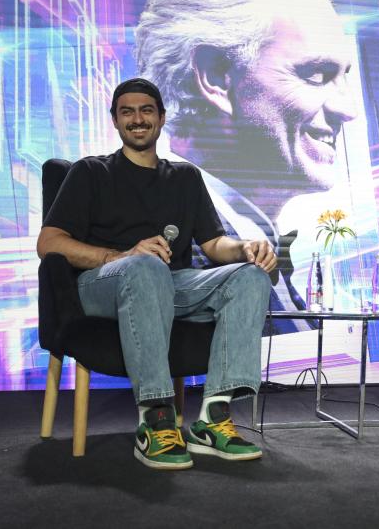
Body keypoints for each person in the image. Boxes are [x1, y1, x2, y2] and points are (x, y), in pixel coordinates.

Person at [37, 78, 276, 470]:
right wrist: (121, 255)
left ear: (161, 119)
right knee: (145, 266)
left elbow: (215, 244)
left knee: (249, 276)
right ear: (115, 121)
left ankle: (212, 421)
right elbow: (49, 242)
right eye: (127, 112)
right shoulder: (90, 172)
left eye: (146, 110)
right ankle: (156, 419)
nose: (137, 119)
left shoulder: (184, 177)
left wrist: (246, 248)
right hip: (101, 286)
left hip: (168, 283)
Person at [135, 0, 357, 330]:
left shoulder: (251, 232)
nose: (348, 109)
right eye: (315, 75)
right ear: (217, 76)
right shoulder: (177, 243)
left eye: (344, 77)